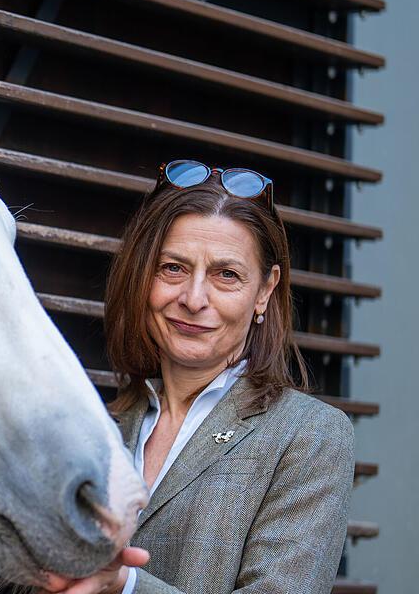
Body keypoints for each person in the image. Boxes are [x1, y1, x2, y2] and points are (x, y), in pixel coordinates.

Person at [47, 160, 354, 594]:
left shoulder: (309, 436)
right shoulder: (99, 427)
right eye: (172, 267)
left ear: (264, 291)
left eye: (226, 275)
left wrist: (128, 585)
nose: (193, 299)